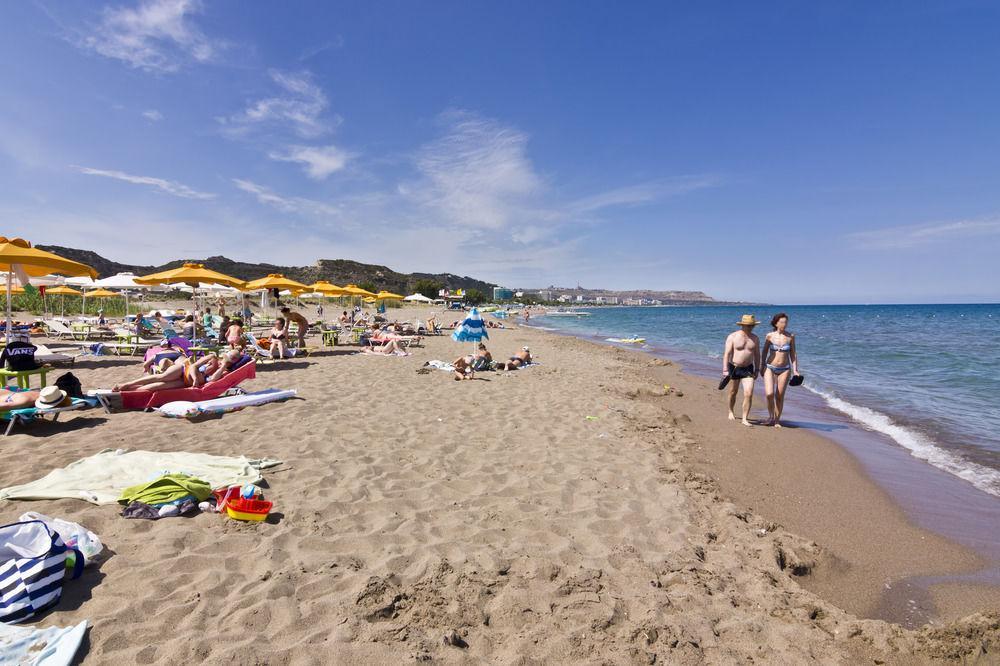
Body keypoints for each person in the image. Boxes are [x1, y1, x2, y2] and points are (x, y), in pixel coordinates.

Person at [115, 349, 243, 392]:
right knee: (160, 378)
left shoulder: (225, 372)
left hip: (186, 382)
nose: (227, 359)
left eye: (231, 359)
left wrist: (223, 366)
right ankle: (126, 384)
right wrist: (194, 378)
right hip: (183, 371)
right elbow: (193, 366)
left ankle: (131, 390)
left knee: (158, 387)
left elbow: (213, 379)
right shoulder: (212, 357)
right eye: (228, 356)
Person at [761, 312, 799, 428]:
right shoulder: (769, 336)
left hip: (785, 369)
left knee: (779, 395)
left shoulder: (790, 336)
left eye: (786, 322)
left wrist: (795, 370)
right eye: (782, 322)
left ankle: (777, 420)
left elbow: (793, 354)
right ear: (776, 323)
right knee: (769, 393)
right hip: (770, 367)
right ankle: (770, 416)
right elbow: (764, 352)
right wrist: (762, 365)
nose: (784, 324)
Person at [723, 314, 760, 427]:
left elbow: (757, 355)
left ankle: (744, 418)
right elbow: (727, 354)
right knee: (733, 392)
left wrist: (758, 369)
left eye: (751, 326)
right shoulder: (733, 336)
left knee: (748, 393)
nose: (750, 328)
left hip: (748, 368)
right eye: (747, 325)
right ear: (742, 325)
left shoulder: (755, 338)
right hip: (734, 367)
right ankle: (730, 411)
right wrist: (725, 369)